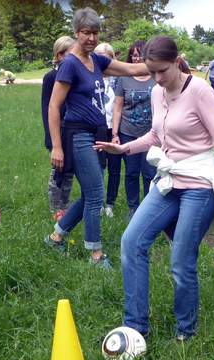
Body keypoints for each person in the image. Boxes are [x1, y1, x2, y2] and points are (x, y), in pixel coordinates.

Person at [94, 36, 214, 341]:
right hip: (168, 181)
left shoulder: (200, 91)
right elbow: (155, 134)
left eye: (162, 71)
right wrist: (123, 149)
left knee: (180, 259)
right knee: (131, 241)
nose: (157, 78)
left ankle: (185, 332)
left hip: (199, 184)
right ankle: (136, 327)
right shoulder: (157, 93)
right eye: (152, 72)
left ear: (177, 62)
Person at [43, 7, 148, 269]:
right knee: (95, 194)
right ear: (77, 33)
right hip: (76, 134)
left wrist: (160, 64)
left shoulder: (97, 61)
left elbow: (128, 69)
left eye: (95, 33)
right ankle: (95, 254)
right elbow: (54, 107)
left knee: (92, 192)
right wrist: (56, 146)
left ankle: (56, 237)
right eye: (86, 33)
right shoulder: (70, 64)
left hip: (95, 134)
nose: (91, 38)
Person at [112, 40, 156, 218]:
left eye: (140, 54)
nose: (137, 58)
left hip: (151, 134)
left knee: (149, 173)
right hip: (127, 132)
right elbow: (117, 107)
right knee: (131, 172)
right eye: (134, 54)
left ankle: (149, 207)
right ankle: (133, 208)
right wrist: (115, 133)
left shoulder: (155, 77)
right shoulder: (124, 78)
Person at [42, 36, 75, 221]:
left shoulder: (72, 75)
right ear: (60, 55)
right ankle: (55, 207)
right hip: (56, 134)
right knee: (57, 172)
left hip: (71, 132)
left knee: (68, 171)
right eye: (70, 54)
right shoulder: (51, 77)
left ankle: (65, 204)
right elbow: (47, 108)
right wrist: (52, 140)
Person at [94, 42, 120, 218]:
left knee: (114, 169)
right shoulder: (90, 78)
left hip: (115, 129)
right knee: (97, 168)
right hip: (96, 130)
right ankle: (98, 202)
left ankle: (110, 203)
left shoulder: (118, 80)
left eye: (106, 56)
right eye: (99, 56)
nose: (103, 59)